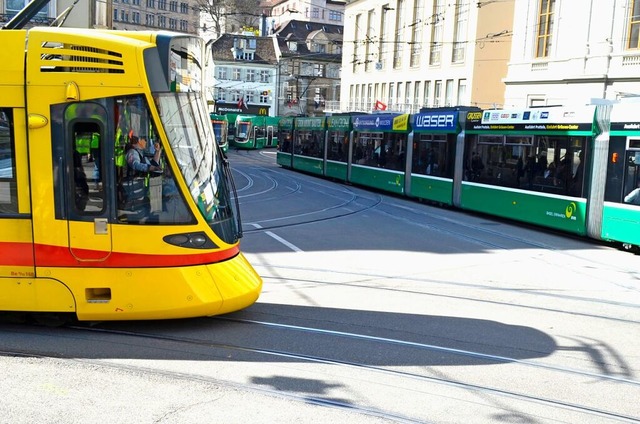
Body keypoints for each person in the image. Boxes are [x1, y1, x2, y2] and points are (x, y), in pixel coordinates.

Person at [120, 135, 162, 219]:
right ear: (139, 141)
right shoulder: (132, 152)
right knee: (137, 214)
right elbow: (136, 165)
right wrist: (151, 168)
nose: (146, 142)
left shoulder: (140, 153)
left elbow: (152, 164)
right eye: (145, 140)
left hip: (140, 188)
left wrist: (158, 152)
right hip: (133, 188)